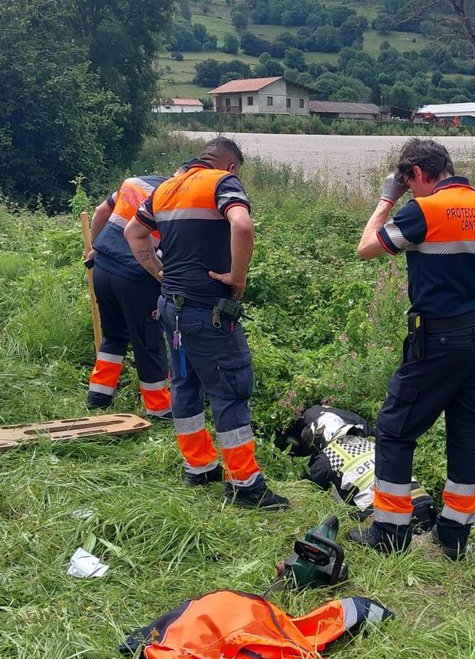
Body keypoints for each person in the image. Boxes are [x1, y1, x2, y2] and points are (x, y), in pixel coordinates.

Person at [348, 139, 475, 559]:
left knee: (394, 428)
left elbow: (366, 247)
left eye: (410, 184)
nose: (411, 192)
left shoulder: (423, 211)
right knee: (466, 436)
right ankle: (454, 535)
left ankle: (390, 531)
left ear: (419, 174)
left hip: (438, 340)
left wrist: (387, 199)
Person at [124, 137, 289, 511]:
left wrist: (160, 272)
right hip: (208, 311)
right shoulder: (221, 183)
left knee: (184, 384)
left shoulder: (165, 189)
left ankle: (199, 467)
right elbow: (242, 226)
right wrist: (238, 278)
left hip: (172, 307)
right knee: (230, 388)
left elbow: (133, 233)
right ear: (231, 167)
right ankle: (244, 484)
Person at [86, 174, 172, 420]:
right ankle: (159, 408)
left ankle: (98, 396)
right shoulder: (176, 196)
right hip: (136, 277)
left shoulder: (135, 183)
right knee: (148, 341)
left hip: (103, 266)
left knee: (113, 336)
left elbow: (100, 212)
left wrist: (95, 247)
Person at [284, 404, 435, 527]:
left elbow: (307, 487)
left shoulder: (327, 459)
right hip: (426, 505)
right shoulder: (371, 444)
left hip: (392, 519)